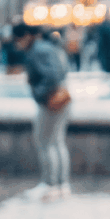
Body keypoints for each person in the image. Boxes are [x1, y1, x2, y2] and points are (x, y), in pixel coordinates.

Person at [12, 24, 71, 201]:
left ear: (26, 36)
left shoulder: (37, 50)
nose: (17, 44)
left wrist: (39, 93)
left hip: (50, 101)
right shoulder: (48, 47)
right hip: (60, 98)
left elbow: (51, 75)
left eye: (18, 39)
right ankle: (62, 184)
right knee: (57, 142)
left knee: (45, 142)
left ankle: (50, 184)